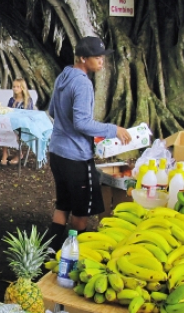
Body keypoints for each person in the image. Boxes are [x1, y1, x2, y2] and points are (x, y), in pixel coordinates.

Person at [46, 36, 132, 250]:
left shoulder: (63, 76)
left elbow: (52, 112)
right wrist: (114, 130)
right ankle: (75, 255)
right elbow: (82, 123)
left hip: (57, 152)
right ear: (83, 58)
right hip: (76, 158)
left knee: (63, 205)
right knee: (81, 212)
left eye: (103, 57)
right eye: (97, 57)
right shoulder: (83, 83)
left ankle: (48, 251)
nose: (102, 61)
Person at [0, 78, 35, 165]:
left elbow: (28, 115)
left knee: (16, 132)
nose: (15, 88)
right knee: (3, 129)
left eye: (17, 87)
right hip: (11, 123)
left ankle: (19, 153)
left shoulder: (28, 101)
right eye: (14, 86)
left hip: (22, 125)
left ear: (22, 88)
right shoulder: (12, 100)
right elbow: (8, 112)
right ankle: (5, 153)